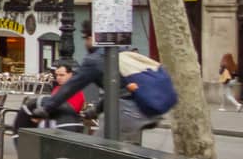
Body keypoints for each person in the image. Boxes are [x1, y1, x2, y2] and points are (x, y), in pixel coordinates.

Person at [36, 46, 171, 141]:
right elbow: (117, 89)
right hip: (148, 108)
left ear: (91, 37)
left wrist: (47, 108)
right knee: (124, 148)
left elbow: (71, 87)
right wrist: (97, 109)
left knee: (98, 151)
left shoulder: (94, 60)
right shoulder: (120, 51)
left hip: (126, 110)